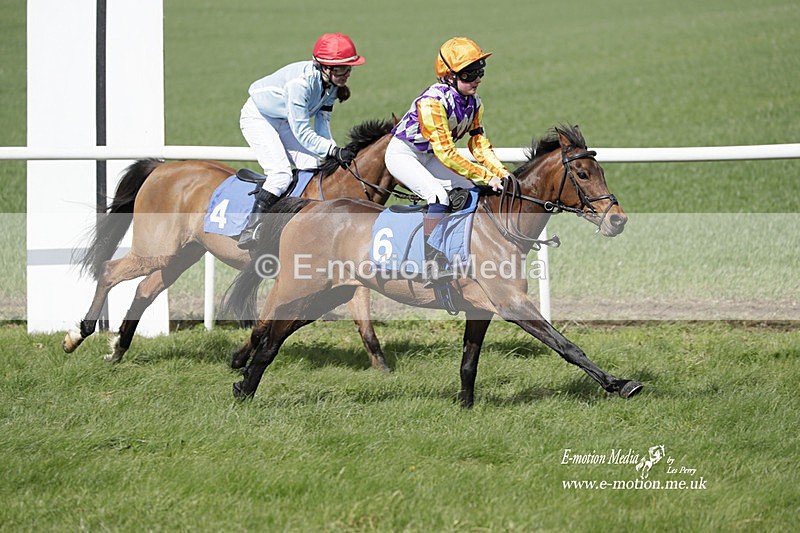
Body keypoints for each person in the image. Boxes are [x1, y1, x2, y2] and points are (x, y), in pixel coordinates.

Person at [385, 36, 510, 285]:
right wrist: (486, 176)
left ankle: (461, 249)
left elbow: (479, 144)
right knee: (438, 196)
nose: (477, 79)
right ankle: (431, 263)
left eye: (480, 71)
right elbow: (446, 153)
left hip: (429, 155)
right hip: (404, 154)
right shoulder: (432, 102)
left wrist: (501, 173)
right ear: (449, 76)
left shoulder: (474, 103)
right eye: (469, 74)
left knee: (471, 189)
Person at [237, 32, 365, 249]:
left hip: (284, 120)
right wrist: (332, 150)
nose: (346, 74)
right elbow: (303, 132)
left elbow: (322, 124)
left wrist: (332, 151)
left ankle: (295, 218)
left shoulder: (332, 85)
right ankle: (252, 228)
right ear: (324, 67)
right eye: (341, 68)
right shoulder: (301, 85)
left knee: (312, 165)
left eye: (349, 68)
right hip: (260, 117)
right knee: (280, 175)